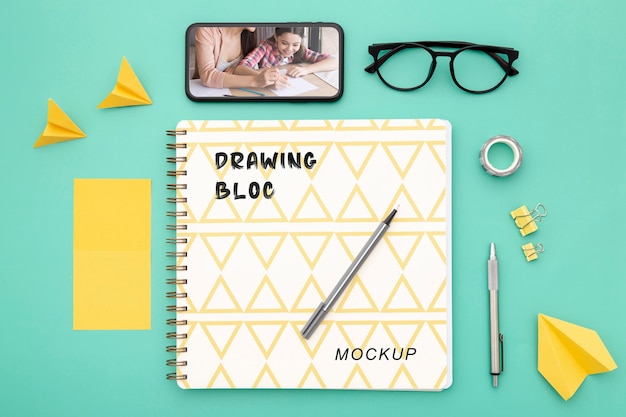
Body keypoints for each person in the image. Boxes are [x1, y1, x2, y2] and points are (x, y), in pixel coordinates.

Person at [194, 26, 288, 89]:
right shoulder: (206, 29)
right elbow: (207, 75)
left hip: (235, 93)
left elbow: (246, 67)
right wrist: (255, 81)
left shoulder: (249, 35)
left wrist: (267, 81)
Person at [235, 27, 338, 78]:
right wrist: (262, 77)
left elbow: (334, 61)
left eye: (295, 44)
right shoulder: (265, 47)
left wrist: (306, 70)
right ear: (276, 36)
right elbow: (240, 68)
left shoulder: (301, 50)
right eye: (284, 43)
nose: (289, 49)